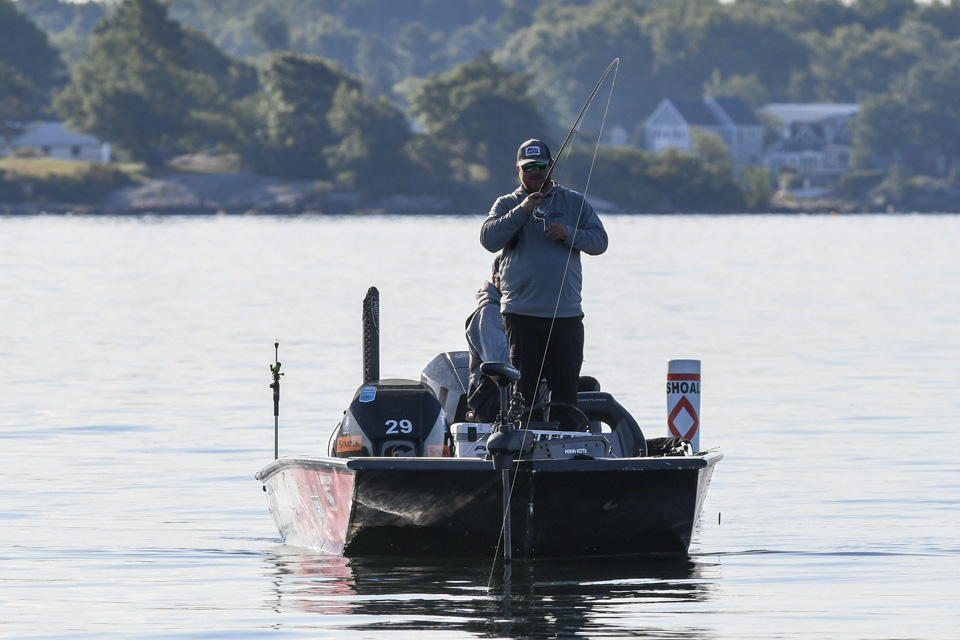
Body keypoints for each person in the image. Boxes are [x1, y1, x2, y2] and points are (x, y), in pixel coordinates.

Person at [479, 138, 608, 428]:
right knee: (523, 394)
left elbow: (600, 242)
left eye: (540, 166)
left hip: (566, 315)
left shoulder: (574, 202)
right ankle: (524, 447)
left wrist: (569, 233)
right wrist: (522, 211)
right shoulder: (507, 203)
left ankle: (566, 446)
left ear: (551, 166)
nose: (535, 172)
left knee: (565, 393)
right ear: (518, 170)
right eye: (528, 167)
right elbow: (489, 239)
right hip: (521, 315)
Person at [464, 256, 511, 422]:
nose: (512, 283)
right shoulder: (489, 313)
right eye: (506, 277)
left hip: (518, 389)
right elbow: (501, 363)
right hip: (491, 397)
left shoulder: (519, 309)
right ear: (494, 280)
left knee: (582, 386)